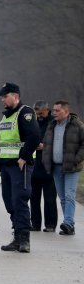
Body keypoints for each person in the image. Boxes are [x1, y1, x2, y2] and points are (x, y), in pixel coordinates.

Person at [0, 82, 41, 253]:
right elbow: (8, 142)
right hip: (6, 166)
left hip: (20, 166)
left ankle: (24, 240)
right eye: (2, 97)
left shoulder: (25, 112)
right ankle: (17, 236)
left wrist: (24, 157)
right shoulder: (7, 116)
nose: (3, 100)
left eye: (5, 96)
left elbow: (35, 136)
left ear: (16, 96)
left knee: (19, 201)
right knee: (9, 202)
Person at [41, 100, 84, 235]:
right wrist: (46, 160)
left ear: (66, 111)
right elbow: (47, 144)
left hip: (72, 167)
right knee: (63, 197)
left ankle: (68, 223)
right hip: (55, 167)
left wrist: (75, 160)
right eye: (53, 110)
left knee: (70, 195)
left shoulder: (77, 125)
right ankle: (68, 224)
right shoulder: (51, 126)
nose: (54, 113)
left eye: (57, 110)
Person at [30, 101, 58, 232]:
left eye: (41, 113)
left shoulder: (54, 123)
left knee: (50, 199)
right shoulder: (32, 122)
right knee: (33, 199)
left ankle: (50, 225)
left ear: (48, 110)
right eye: (37, 113)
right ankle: (35, 224)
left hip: (49, 166)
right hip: (34, 167)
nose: (39, 116)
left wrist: (44, 146)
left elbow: (60, 143)